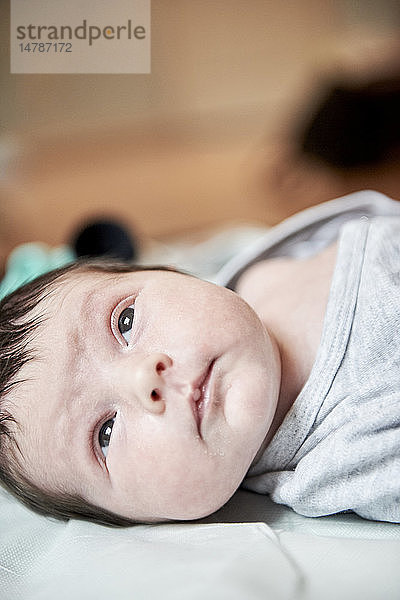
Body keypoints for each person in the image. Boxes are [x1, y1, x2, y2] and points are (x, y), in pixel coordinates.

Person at [0, 190, 399, 527]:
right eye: (104, 435)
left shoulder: (252, 274)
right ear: (137, 518)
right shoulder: (342, 462)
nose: (143, 380)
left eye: (125, 321)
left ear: (175, 272)